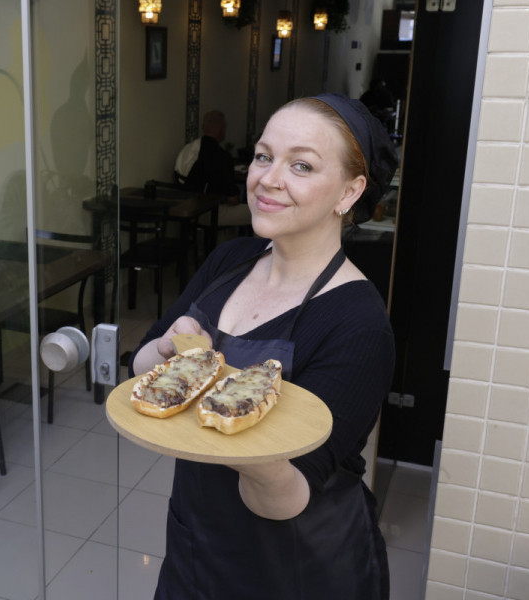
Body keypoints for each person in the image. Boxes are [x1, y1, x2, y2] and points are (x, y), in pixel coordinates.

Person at [131, 93, 399, 599]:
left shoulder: (358, 324)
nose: (269, 178)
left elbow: (288, 496)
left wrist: (237, 409)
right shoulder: (230, 260)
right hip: (197, 537)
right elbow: (139, 364)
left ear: (350, 191)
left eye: (301, 165)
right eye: (262, 156)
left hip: (297, 563)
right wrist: (168, 349)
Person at [175, 110, 252, 227]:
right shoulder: (221, 156)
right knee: (263, 214)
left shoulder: (188, 149)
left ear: (202, 127)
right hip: (207, 212)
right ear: (222, 129)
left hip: (185, 208)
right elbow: (232, 200)